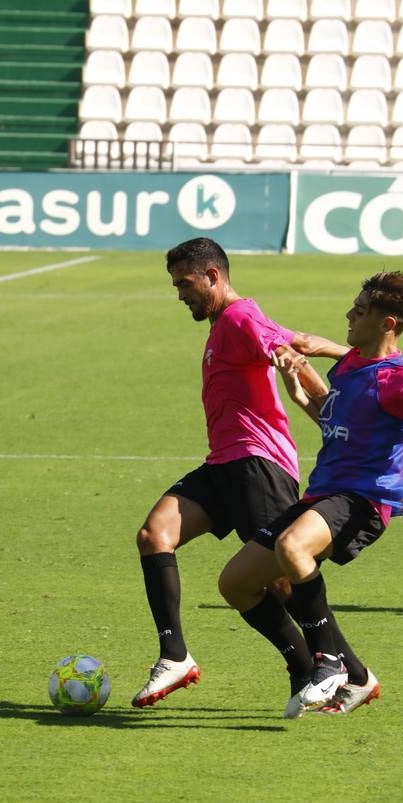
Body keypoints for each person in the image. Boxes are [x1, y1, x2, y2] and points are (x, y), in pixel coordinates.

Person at [218, 270, 403, 717]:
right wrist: (300, 395)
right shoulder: (349, 366)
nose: (349, 313)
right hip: (322, 495)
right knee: (236, 584)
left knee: (293, 548)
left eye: (361, 310)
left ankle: (327, 662)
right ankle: (354, 676)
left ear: (388, 323)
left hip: (365, 499)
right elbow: (337, 427)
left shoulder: (402, 380)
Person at [133, 237, 347, 707]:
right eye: (175, 285)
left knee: (281, 580)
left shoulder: (238, 316)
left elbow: (290, 355)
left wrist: (335, 424)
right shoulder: (231, 321)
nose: (180, 293)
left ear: (213, 276)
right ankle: (176, 656)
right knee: (155, 535)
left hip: (258, 462)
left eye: (185, 283)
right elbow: (291, 342)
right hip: (224, 462)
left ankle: (350, 672)